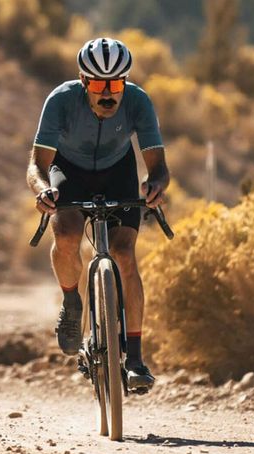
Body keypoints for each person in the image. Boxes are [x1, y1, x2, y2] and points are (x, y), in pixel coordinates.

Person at [26, 37, 169, 392]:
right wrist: (42, 190)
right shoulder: (60, 101)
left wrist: (154, 186)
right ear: (83, 80)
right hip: (68, 172)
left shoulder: (138, 101)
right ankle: (72, 303)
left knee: (124, 256)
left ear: (125, 81)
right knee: (68, 234)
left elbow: (159, 168)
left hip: (117, 170)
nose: (108, 93)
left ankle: (134, 358)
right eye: (99, 84)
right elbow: (36, 165)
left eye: (116, 83)